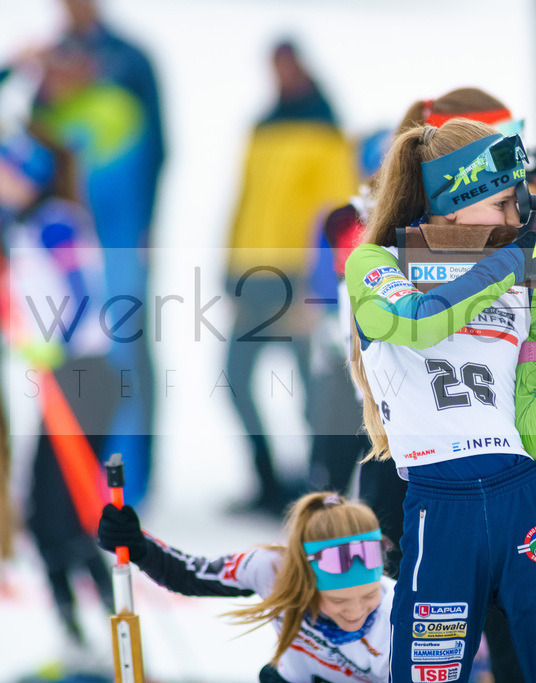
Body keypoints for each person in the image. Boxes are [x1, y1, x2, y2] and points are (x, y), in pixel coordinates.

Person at [345, 118, 536, 680]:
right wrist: (512, 264)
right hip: (441, 509)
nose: (516, 220)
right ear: (455, 203)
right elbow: (417, 321)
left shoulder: (524, 286)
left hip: (527, 499)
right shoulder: (378, 264)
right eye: (503, 204)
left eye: (519, 206)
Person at [31, 0, 165, 505]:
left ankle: (127, 480)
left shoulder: (129, 65)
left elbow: (159, 150)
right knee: (73, 361)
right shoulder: (50, 72)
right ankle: (76, 480)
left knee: (124, 356)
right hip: (67, 249)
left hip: (120, 242)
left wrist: (149, 225)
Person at [224, 39, 360, 515]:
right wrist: (229, 267)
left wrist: (316, 286)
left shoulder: (326, 132)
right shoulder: (262, 127)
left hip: (295, 278)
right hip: (253, 275)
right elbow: (244, 200)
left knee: (311, 390)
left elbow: (332, 214)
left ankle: (316, 485)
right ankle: (267, 480)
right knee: (235, 378)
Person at [0, 127, 117, 656]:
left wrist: (58, 345)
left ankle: (113, 633)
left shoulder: (56, 222)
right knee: (51, 514)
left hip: (84, 376)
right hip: (66, 378)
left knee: (63, 514)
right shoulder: (25, 224)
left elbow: (84, 292)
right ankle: (77, 637)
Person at [97, 491, 394, 683]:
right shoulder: (271, 569)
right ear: (302, 577)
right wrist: (137, 545)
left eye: (370, 595)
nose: (356, 611)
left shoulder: (400, 617)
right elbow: (188, 575)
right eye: (338, 600)